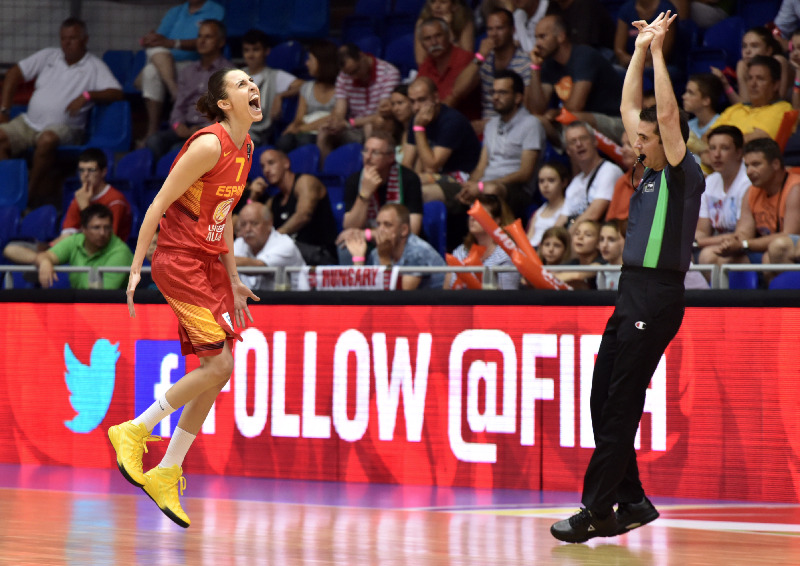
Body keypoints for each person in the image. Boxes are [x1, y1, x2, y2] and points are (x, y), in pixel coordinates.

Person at [550, 11, 705, 543]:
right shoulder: (645, 171)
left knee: (621, 402)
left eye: (647, 137)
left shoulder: (683, 174)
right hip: (629, 291)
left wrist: (661, 55)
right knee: (601, 397)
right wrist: (638, 50)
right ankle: (633, 500)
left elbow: (662, 113)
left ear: (669, 138)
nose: (637, 140)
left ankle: (598, 510)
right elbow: (627, 107)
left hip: (658, 293)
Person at [108, 66, 263, 529]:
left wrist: (233, 277)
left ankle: (168, 470)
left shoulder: (247, 147)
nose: (252, 86)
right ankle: (134, 429)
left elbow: (224, 211)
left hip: (210, 266)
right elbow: (157, 204)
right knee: (219, 366)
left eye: (252, 80)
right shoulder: (209, 144)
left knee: (219, 371)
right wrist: (135, 268)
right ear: (223, 103)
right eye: (241, 84)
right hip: (178, 261)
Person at [0, 18, 123, 209]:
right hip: (29, 123)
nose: (67, 43)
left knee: (47, 140)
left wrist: (88, 95)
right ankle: (9, 191)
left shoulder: (94, 66)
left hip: (67, 128)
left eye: (73, 38)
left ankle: (26, 198)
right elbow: (14, 73)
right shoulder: (49, 56)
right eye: (63, 38)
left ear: (85, 40)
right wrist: (4, 109)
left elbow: (117, 92)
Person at [3, 147, 132, 268]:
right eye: (81, 170)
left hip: (105, 255)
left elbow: (102, 239)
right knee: (11, 249)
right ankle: (42, 261)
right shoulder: (80, 197)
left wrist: (85, 207)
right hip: (74, 248)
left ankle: (44, 262)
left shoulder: (115, 200)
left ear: (103, 172)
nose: (85, 175)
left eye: (91, 170)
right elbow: (67, 234)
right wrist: (48, 249)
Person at [456, 70, 545, 218]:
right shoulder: (491, 125)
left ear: (518, 97)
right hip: (485, 185)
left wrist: (482, 186)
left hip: (515, 190)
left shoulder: (531, 124)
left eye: (502, 93)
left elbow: (525, 173)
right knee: (447, 194)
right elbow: (480, 168)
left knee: (491, 190)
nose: (496, 97)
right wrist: (470, 185)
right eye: (494, 92)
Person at [527, 14, 625, 146]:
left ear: (561, 36)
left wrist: (555, 113)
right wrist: (535, 67)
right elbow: (536, 110)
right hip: (580, 122)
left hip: (616, 121)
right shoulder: (549, 64)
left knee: (572, 119)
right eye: (536, 38)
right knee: (536, 121)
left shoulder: (584, 56)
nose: (537, 43)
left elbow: (575, 106)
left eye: (542, 37)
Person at [136, 0, 225, 140]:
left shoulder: (214, 9)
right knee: (151, 67)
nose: (202, 40)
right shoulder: (176, 11)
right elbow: (160, 39)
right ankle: (172, 92)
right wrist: (150, 39)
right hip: (168, 64)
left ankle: (168, 89)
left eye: (205, 37)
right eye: (200, 36)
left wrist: (172, 43)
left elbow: (212, 35)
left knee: (150, 72)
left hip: (191, 61)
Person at [145, 19, 231, 161]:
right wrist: (178, 125)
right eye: (199, 36)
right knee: (154, 141)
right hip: (185, 128)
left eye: (208, 37)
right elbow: (179, 106)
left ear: (221, 42)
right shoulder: (188, 71)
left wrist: (204, 129)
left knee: (176, 150)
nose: (201, 41)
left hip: (211, 130)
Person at [712, 138, 800, 267]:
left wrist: (744, 244)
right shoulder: (752, 191)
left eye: (756, 164)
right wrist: (731, 243)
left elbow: (789, 235)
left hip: (789, 248)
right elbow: (744, 233)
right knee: (722, 260)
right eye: (747, 166)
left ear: (775, 164)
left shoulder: (795, 188)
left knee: (775, 249)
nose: (749, 172)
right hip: (765, 247)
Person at [402, 77, 482, 212]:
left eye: (422, 100)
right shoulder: (416, 119)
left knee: (417, 194)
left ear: (436, 97)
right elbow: (406, 165)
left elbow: (432, 165)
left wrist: (419, 129)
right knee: (399, 187)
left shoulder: (452, 122)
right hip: (436, 177)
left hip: (462, 181)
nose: (416, 107)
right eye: (412, 101)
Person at [338, 131, 425, 252]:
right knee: (346, 246)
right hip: (369, 244)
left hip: (401, 243)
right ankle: (357, 271)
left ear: (391, 157)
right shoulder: (354, 180)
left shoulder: (409, 179)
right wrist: (365, 195)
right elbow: (350, 227)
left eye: (375, 153)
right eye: (365, 151)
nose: (367, 157)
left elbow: (413, 229)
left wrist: (368, 234)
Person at [316, 44, 400, 163]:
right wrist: (336, 122)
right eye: (350, 74)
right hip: (352, 126)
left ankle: (369, 170)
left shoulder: (389, 73)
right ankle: (326, 174)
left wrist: (349, 123)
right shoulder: (344, 76)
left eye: (356, 70)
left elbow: (380, 114)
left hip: (375, 124)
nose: (354, 76)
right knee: (324, 131)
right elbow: (340, 110)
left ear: (362, 56)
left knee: (373, 124)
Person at [252, 149, 338, 265]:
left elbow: (303, 215)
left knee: (276, 251)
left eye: (271, 163)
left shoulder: (305, 182)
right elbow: (254, 224)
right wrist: (253, 198)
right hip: (290, 254)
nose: (266, 170)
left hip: (320, 254)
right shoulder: (273, 201)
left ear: (286, 163)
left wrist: (275, 238)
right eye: (263, 166)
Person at [453, 8, 533, 133]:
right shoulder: (484, 60)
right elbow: (457, 90)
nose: (494, 34)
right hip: (485, 130)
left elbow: (528, 109)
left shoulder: (525, 62)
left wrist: (491, 124)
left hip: (515, 128)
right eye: (490, 29)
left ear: (512, 30)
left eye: (500, 28)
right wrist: (479, 57)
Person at [345, 203, 447, 290]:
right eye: (378, 224)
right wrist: (359, 259)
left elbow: (401, 295)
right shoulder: (377, 252)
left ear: (404, 230)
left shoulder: (418, 251)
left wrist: (384, 258)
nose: (380, 230)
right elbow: (367, 291)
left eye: (387, 225)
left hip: (441, 308)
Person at [33, 204, 133, 290]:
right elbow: (44, 255)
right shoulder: (75, 240)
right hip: (81, 304)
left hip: (111, 308)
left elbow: (101, 296)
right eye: (96, 227)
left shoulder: (121, 252)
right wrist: (45, 262)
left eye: (107, 227)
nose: (102, 233)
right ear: (83, 229)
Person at [694, 126, 750, 266]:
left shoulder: (749, 181)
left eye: (724, 148)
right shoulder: (710, 182)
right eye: (712, 148)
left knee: (708, 257)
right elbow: (702, 230)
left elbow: (741, 235)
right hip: (718, 245)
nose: (717, 154)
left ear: (739, 153)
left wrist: (698, 242)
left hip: (745, 247)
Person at [240, 29, 304, 146]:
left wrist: (281, 95)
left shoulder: (276, 76)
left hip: (254, 133)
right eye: (247, 50)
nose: (251, 55)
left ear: (267, 51)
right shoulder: (236, 75)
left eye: (256, 50)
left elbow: (304, 86)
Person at [712, 56, 794, 144]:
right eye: (750, 78)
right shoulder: (735, 109)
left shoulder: (783, 109)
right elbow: (707, 136)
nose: (753, 84)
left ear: (776, 85)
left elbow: (758, 139)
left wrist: (717, 144)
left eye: (760, 79)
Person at [275, 40, 338, 153]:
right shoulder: (306, 87)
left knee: (306, 140)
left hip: (328, 134)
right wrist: (292, 128)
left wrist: (301, 129)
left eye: (310, 60)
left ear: (322, 62)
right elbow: (299, 118)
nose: (306, 63)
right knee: (284, 141)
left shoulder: (340, 89)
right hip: (304, 131)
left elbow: (333, 117)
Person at [557, 121, 623, 230]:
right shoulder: (575, 183)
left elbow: (593, 214)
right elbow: (561, 220)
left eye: (583, 138)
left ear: (595, 141)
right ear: (568, 151)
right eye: (573, 141)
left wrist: (566, 240)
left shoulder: (609, 170)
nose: (579, 144)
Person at [445, 194, 520, 289]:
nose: (472, 218)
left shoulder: (506, 255)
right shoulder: (460, 251)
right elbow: (446, 293)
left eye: (479, 213)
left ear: (496, 221)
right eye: (471, 212)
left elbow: (508, 298)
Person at [417, 17, 482, 121]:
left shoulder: (466, 60)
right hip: (436, 125)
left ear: (448, 36)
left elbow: (453, 99)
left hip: (466, 127)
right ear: (422, 44)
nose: (434, 43)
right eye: (427, 39)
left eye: (438, 36)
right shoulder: (425, 66)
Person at [233, 201, 306, 289]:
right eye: (243, 225)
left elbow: (258, 267)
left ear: (269, 224)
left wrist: (219, 257)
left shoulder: (285, 244)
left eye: (254, 223)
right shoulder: (240, 242)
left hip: (295, 301)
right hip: (255, 301)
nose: (248, 229)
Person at [714, 27, 790, 105]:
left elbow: (778, 102)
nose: (747, 51)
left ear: (768, 51)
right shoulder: (742, 65)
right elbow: (745, 105)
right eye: (744, 46)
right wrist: (725, 84)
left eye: (754, 46)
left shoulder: (779, 60)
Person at [613, 0, 678, 69]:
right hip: (630, 63)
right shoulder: (626, 8)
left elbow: (663, 52)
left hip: (659, 65)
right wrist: (634, 63)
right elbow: (619, 50)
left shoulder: (666, 9)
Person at [681, 73, 723, 171]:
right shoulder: (688, 125)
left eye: (690, 93)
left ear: (706, 100)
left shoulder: (721, 124)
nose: (684, 96)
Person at [414, 0, 476, 66]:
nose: (437, 6)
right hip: (432, 69)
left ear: (454, 6)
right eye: (433, 1)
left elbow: (466, 59)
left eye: (443, 2)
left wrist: (448, 28)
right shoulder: (422, 23)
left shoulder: (465, 22)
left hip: (458, 70)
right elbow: (420, 61)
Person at [527, 161, 570, 247]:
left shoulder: (567, 208)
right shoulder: (539, 211)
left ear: (564, 182)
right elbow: (528, 239)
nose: (545, 185)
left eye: (551, 180)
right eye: (541, 181)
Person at [547, 0, 615, 50]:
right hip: (568, 55)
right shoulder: (553, 6)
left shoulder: (586, 4)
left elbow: (584, 47)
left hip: (601, 54)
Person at [555, 218, 603, 289]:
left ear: (599, 243)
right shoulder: (573, 263)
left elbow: (578, 275)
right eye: (577, 233)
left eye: (588, 235)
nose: (580, 237)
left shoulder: (602, 262)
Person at [605, 131, 641, 222]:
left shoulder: (657, 179)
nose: (623, 150)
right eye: (622, 145)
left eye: (629, 144)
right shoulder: (621, 181)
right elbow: (610, 222)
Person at [597, 219, 626, 290]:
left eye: (611, 240)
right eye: (601, 239)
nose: (604, 245)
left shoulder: (631, 273)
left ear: (624, 242)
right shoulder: (602, 271)